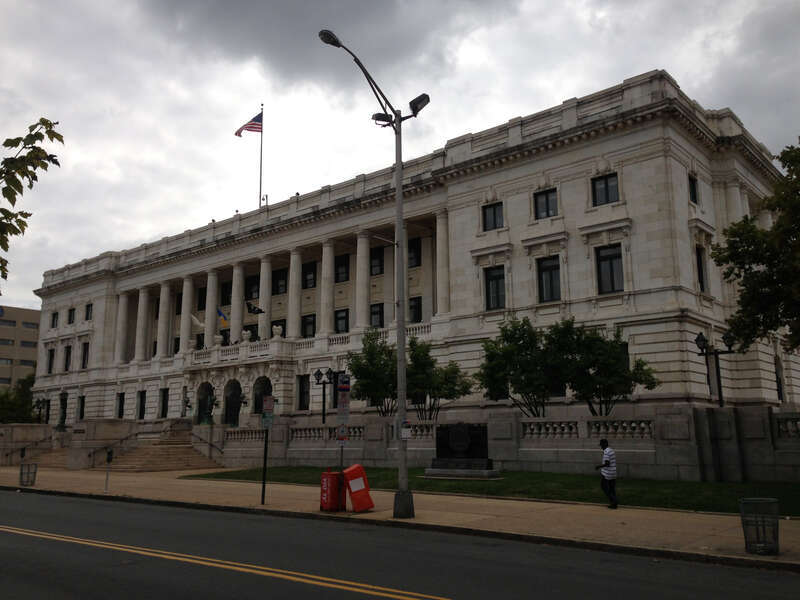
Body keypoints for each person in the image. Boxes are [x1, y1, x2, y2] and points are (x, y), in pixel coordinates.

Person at [595, 438, 618, 509]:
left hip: (607, 473)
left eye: (601, 445)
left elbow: (607, 463)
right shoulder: (611, 450)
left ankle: (614, 501)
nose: (601, 447)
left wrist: (599, 466)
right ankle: (613, 504)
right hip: (613, 472)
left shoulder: (606, 452)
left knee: (604, 487)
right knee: (612, 488)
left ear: (604, 444)